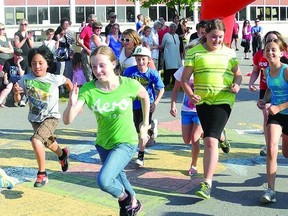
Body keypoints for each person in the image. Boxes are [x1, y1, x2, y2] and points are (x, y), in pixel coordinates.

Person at [62, 45, 149, 215]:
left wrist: (145, 125)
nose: (97, 70)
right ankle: (133, 203)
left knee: (104, 180)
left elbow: (145, 96)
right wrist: (70, 103)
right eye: (94, 66)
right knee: (118, 176)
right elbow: (68, 120)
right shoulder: (89, 89)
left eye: (102, 65)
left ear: (113, 63)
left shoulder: (128, 84)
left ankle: (125, 199)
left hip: (126, 141)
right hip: (103, 144)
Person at [181, 19, 242, 199]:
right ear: (205, 34)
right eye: (213, 36)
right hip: (202, 101)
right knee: (211, 136)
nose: (217, 40)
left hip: (224, 99)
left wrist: (237, 85)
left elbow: (237, 75)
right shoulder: (194, 52)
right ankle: (222, 136)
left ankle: (207, 183)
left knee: (209, 141)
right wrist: (191, 95)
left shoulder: (230, 53)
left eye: (220, 37)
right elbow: (184, 79)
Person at [12, 46, 73, 187]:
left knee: (36, 140)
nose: (37, 66)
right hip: (35, 119)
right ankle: (62, 154)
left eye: (40, 63)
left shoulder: (54, 78)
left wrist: (73, 100)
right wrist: (16, 92)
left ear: (47, 63)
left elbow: (68, 82)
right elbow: (17, 100)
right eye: (34, 63)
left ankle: (42, 174)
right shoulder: (25, 79)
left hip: (51, 117)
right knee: (47, 142)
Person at [257, 38, 288, 204]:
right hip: (276, 115)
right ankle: (271, 190)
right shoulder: (266, 71)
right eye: (267, 50)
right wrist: (264, 100)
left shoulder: (286, 70)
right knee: (271, 148)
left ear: (281, 53)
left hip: (284, 111)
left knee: (286, 153)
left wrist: (280, 107)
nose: (270, 52)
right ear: (264, 53)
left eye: (274, 49)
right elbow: (269, 88)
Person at [123, 46, 165, 167]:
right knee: (137, 130)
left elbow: (161, 89)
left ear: (148, 60)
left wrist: (155, 103)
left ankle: (140, 157)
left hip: (147, 105)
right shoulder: (129, 72)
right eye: (138, 59)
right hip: (133, 105)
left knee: (142, 132)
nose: (140, 62)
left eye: (143, 59)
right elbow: (123, 87)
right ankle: (152, 126)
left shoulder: (152, 73)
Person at [248, 31, 287, 157]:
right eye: (268, 41)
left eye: (274, 40)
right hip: (268, 89)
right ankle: (269, 144)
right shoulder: (260, 58)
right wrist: (252, 83)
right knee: (267, 114)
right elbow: (255, 71)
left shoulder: (284, 62)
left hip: (284, 93)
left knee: (286, 153)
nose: (270, 51)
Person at [170, 44, 203, 176]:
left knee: (195, 138)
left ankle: (193, 165)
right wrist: (173, 105)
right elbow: (175, 90)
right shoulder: (182, 71)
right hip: (186, 110)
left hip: (200, 110)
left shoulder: (202, 70)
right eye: (188, 55)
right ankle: (215, 133)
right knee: (186, 140)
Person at [160, 22, 182, 87]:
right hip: (168, 55)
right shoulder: (166, 35)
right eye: (171, 27)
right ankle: (166, 83)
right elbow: (162, 45)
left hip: (176, 55)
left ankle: (174, 83)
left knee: (176, 70)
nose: (173, 28)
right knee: (168, 70)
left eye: (174, 27)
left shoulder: (177, 36)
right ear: (169, 28)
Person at [77, 14, 97, 81]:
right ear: (89, 20)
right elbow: (79, 40)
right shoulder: (86, 28)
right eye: (92, 20)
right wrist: (86, 49)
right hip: (88, 53)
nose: (93, 22)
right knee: (89, 73)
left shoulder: (96, 29)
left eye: (95, 20)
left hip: (95, 53)